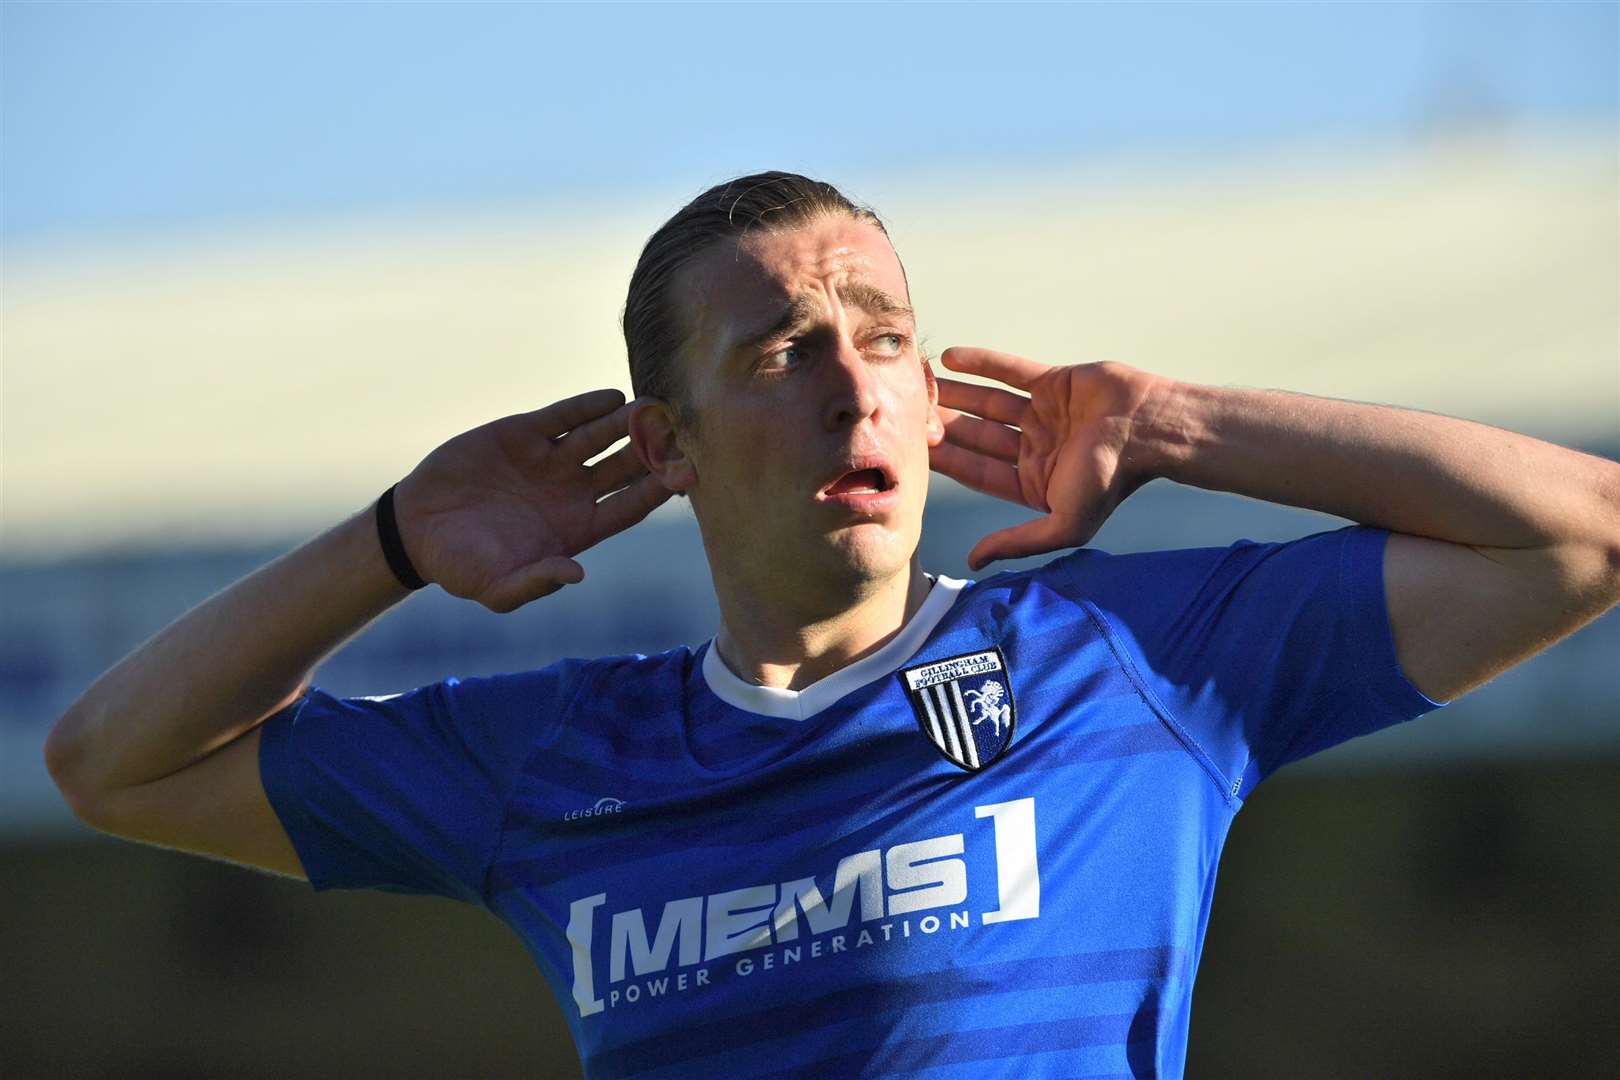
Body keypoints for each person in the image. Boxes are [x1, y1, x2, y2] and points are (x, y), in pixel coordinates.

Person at [45, 172, 1620, 1079]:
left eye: (884, 343)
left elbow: (1581, 533)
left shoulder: (1132, 667)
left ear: (934, 405)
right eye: (783, 351)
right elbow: (114, 764)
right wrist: (387, 545)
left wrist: (1177, 419)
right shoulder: (553, 759)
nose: (853, 384)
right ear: (667, 449)